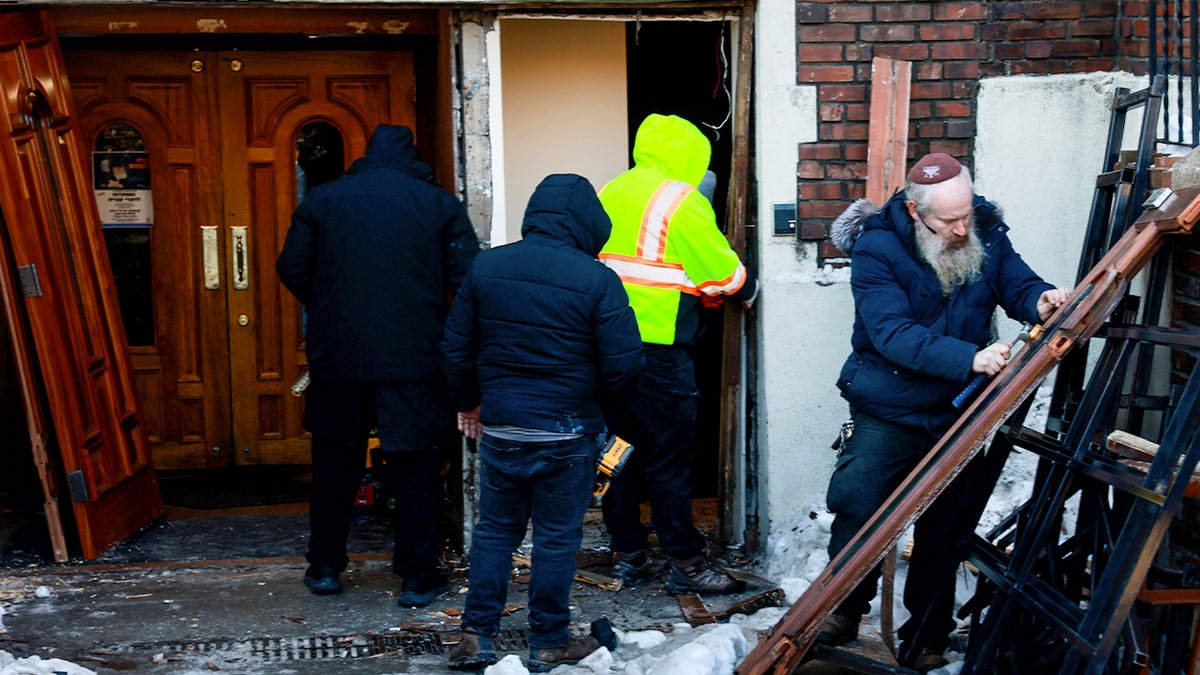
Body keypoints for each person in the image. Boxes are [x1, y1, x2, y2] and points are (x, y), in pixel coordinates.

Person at [820, 152, 1071, 671]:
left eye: (966, 216)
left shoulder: (982, 225)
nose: (962, 229)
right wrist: (970, 358)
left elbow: (1016, 281)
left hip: (962, 412)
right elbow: (891, 333)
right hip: (891, 406)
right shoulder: (877, 248)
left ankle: (927, 634)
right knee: (859, 504)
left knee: (945, 526)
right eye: (949, 221)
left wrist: (1040, 300)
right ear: (915, 212)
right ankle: (840, 610)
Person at [441, 174, 645, 671]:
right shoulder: (597, 278)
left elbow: (454, 351)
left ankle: (475, 637)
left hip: (504, 429)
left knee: (494, 532)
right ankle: (549, 640)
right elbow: (625, 366)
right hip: (568, 432)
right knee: (556, 538)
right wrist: (594, 407)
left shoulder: (487, 268)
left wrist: (471, 403)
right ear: (586, 222)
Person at [276, 123, 479, 607]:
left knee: (334, 467)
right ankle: (417, 576)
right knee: (414, 468)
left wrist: (327, 305)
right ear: (413, 159)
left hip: (338, 358)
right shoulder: (437, 203)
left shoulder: (324, 200)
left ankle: (325, 567)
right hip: (413, 360)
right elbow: (469, 277)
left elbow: (292, 267)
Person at [596, 113, 759, 595]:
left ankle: (627, 553)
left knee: (617, 453)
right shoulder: (680, 199)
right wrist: (736, 289)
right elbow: (725, 277)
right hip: (659, 355)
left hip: (607, 351)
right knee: (667, 459)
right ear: (692, 156)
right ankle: (686, 562)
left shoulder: (611, 189)